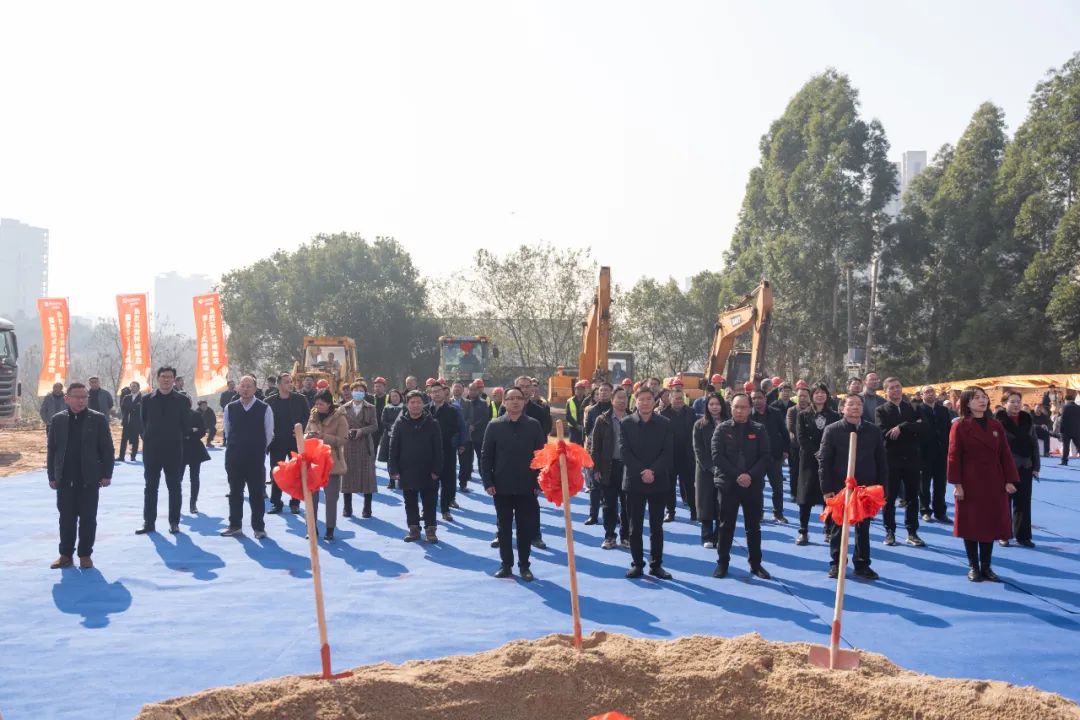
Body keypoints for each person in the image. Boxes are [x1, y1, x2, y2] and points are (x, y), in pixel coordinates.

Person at [948, 387, 1018, 582]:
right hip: (970, 482)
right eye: (976, 398)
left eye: (984, 397)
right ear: (967, 403)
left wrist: (1010, 479)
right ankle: (973, 566)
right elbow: (953, 457)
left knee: (990, 523)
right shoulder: (960, 426)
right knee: (971, 524)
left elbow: (1005, 454)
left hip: (994, 481)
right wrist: (957, 484)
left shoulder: (996, 425)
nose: (982, 401)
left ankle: (986, 566)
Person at [819, 394, 888, 580]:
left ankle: (862, 563)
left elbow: (881, 460)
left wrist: (882, 487)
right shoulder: (832, 430)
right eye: (851, 404)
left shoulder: (872, 431)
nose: (855, 407)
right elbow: (824, 461)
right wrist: (826, 489)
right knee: (838, 526)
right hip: (840, 487)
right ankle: (837, 563)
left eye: (859, 404)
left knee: (863, 527)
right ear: (842, 408)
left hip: (865, 487)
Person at [47, 382, 115, 569]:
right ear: (67, 398)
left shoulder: (98, 419)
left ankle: (85, 554)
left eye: (84, 397)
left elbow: (107, 449)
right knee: (66, 519)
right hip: (64, 479)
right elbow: (52, 450)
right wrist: (52, 476)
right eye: (77, 397)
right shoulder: (57, 420)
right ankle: (65, 555)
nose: (81, 400)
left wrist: (107, 474)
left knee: (88, 518)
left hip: (89, 479)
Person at [482, 385, 546, 580]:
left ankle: (524, 566)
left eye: (519, 398)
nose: (515, 401)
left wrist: (539, 483)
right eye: (511, 398)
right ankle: (506, 565)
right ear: (505, 402)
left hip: (527, 487)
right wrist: (488, 482)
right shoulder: (494, 425)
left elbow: (541, 456)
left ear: (524, 401)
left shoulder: (534, 425)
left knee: (525, 529)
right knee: (504, 528)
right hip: (501, 487)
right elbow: (486, 456)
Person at [711, 393, 773, 580]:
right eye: (736, 407)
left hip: (752, 485)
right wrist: (737, 475)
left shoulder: (759, 429)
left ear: (750, 408)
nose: (739, 411)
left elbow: (765, 456)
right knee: (725, 526)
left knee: (753, 526)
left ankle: (756, 564)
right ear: (730, 408)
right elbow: (717, 456)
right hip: (728, 485)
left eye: (744, 407)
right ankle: (722, 563)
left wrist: (749, 475)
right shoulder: (721, 429)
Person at [619, 387, 674, 580]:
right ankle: (637, 564)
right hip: (635, 481)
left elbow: (668, 451)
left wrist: (653, 471)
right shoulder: (626, 423)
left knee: (656, 527)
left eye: (648, 399)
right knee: (635, 527)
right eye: (641, 399)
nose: (645, 403)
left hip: (658, 481)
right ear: (635, 401)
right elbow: (624, 451)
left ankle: (656, 565)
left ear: (654, 401)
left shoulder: (665, 423)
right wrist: (642, 471)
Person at [219, 375, 274, 538]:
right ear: (238, 388)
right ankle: (235, 525)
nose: (245, 389)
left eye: (249, 386)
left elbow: (269, 434)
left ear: (255, 389)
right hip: (234, 457)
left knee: (256, 494)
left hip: (255, 458)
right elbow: (227, 431)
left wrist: (257, 448)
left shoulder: (264, 408)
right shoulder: (230, 407)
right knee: (235, 492)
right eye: (242, 386)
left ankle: (259, 528)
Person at [138, 366, 190, 535]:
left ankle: (174, 522)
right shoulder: (147, 399)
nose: (166, 379)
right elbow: (142, 423)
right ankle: (149, 522)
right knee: (150, 487)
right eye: (163, 376)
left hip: (173, 451)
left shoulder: (182, 400)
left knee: (174, 487)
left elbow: (185, 425)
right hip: (151, 451)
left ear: (174, 379)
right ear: (157, 378)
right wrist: (148, 438)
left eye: (169, 377)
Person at [876, 377, 926, 547]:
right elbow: (884, 433)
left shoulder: (913, 408)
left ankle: (912, 532)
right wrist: (911, 427)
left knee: (912, 497)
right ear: (885, 392)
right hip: (891, 460)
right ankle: (890, 532)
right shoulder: (881, 411)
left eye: (898, 387)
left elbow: (923, 427)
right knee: (889, 498)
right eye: (891, 388)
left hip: (912, 459)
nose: (895, 390)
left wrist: (902, 426)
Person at [388, 390, 443, 543]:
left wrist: (437, 469)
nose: (416, 405)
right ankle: (414, 529)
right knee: (410, 502)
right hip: (407, 469)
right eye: (412, 402)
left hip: (428, 470)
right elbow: (394, 448)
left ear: (423, 404)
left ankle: (431, 530)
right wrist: (393, 469)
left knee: (430, 502)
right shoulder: (400, 423)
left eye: (419, 402)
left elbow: (438, 449)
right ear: (407, 404)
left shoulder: (432, 423)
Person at [794, 383, 839, 546]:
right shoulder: (802, 415)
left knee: (828, 496)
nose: (820, 395)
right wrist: (817, 453)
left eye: (823, 392)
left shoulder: (835, 416)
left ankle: (828, 529)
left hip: (829, 461)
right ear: (812, 396)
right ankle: (803, 531)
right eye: (816, 393)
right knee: (805, 498)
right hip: (809, 461)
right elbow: (801, 437)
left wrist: (825, 454)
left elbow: (836, 438)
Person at [995, 392, 1040, 548]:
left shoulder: (1027, 419)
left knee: (1023, 502)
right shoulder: (997, 421)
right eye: (1012, 401)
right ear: (1004, 403)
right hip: (1005, 468)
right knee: (1004, 502)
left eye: (1018, 401)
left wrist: (1036, 466)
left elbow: (1034, 443)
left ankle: (1023, 536)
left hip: (1025, 466)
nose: (1016, 405)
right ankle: (1003, 534)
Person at [304, 389, 349, 540]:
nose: (318, 406)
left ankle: (330, 529)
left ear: (329, 404)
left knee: (331, 498)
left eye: (321, 404)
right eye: (316, 403)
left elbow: (343, 440)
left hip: (332, 462)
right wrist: (308, 436)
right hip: (314, 461)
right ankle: (311, 528)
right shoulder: (313, 416)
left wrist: (323, 437)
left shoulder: (340, 418)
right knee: (311, 498)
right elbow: (306, 433)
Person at [590, 385, 632, 550]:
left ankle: (626, 536)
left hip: (629, 468)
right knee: (609, 504)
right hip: (609, 467)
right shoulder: (602, 420)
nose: (622, 401)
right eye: (618, 398)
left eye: (624, 397)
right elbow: (595, 447)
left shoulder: (634, 419)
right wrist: (595, 469)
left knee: (628, 504)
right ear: (612, 400)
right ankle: (609, 536)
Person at [266, 372, 313, 514]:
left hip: (295, 442)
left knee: (296, 473)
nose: (290, 384)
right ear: (279, 384)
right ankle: (276, 503)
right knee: (276, 473)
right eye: (286, 382)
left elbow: (308, 417)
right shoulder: (269, 402)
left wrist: (301, 428)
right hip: (277, 443)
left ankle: (295, 503)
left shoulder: (300, 399)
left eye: (290, 381)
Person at [750, 389, 790, 524]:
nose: (757, 401)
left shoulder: (775, 413)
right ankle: (758, 514)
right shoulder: (749, 415)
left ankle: (778, 514)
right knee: (757, 488)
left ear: (765, 398)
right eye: (754, 398)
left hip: (775, 456)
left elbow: (784, 433)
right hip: (755, 459)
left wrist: (786, 451)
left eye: (759, 398)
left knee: (777, 488)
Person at [341, 381, 378, 519]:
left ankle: (367, 508)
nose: (358, 392)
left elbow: (375, 426)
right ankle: (347, 507)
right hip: (348, 444)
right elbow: (339, 425)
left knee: (367, 476)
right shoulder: (343, 408)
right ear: (351, 392)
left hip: (365, 445)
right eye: (355, 390)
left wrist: (361, 431)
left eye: (361, 390)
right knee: (347, 476)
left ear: (365, 393)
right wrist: (347, 431)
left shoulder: (371, 408)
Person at [693, 393, 726, 548]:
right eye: (711, 404)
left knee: (722, 503)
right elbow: (698, 449)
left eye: (717, 404)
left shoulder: (729, 423)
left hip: (725, 470)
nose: (714, 407)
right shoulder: (699, 425)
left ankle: (719, 535)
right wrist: (711, 467)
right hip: (705, 470)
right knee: (705, 503)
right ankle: (707, 536)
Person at [428, 382, 465, 521]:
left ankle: (445, 510)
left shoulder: (453, 410)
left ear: (444, 392)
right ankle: (427, 510)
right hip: (428, 452)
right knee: (429, 483)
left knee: (447, 481)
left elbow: (459, 428)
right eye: (434, 391)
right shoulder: (425, 410)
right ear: (430, 394)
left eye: (439, 391)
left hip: (447, 450)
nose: (436, 393)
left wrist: (461, 443)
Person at [661, 383, 697, 522]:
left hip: (687, 456)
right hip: (670, 457)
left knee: (690, 486)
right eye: (676, 398)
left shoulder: (691, 412)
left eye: (681, 398)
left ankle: (694, 511)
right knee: (669, 487)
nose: (679, 401)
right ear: (670, 399)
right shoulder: (663, 414)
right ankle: (670, 512)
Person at [917, 385, 953, 524]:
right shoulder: (917, 410)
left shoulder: (943, 410)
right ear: (921, 395)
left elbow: (949, 429)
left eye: (932, 391)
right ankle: (925, 510)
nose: (930, 394)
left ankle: (940, 512)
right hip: (924, 453)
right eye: (927, 392)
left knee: (940, 484)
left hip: (941, 452)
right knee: (924, 485)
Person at [461, 380, 491, 492]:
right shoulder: (464, 402)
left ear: (478, 391)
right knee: (466, 458)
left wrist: (474, 426)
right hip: (466, 435)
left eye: (474, 390)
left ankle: (484, 477)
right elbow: (462, 417)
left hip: (479, 434)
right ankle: (465, 478)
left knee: (480, 457)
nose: (472, 392)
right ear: (468, 390)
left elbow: (485, 417)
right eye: (470, 389)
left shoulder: (483, 403)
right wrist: (467, 426)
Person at [182, 403, 211, 514]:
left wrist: (189, 434)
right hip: (180, 449)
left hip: (195, 449)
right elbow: (175, 431)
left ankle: (193, 504)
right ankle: (176, 503)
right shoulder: (175, 414)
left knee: (194, 478)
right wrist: (191, 430)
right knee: (177, 479)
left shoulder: (196, 415)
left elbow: (202, 431)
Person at [786, 385, 811, 504]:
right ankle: (794, 493)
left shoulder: (812, 410)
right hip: (795, 447)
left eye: (805, 396)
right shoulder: (791, 410)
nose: (802, 398)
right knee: (794, 471)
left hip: (810, 448)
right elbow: (791, 428)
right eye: (800, 396)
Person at [378, 389, 405, 482]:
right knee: (390, 459)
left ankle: (401, 479)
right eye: (392, 396)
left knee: (401, 457)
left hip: (402, 436)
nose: (394, 398)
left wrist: (397, 428)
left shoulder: (405, 408)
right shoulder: (386, 408)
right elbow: (383, 421)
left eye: (396, 396)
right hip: (388, 435)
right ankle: (391, 480)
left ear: (400, 397)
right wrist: (391, 427)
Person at [117, 382, 143, 461]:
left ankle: (133, 455)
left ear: (138, 388)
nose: (132, 388)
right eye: (131, 387)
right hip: (127, 421)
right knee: (124, 439)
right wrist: (132, 408)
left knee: (135, 439)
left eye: (134, 386)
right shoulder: (126, 397)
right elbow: (123, 408)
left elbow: (140, 409)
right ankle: (121, 456)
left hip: (137, 422)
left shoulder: (142, 398)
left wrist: (131, 407)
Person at [566, 380, 589, 445]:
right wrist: (577, 426)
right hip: (573, 428)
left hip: (584, 428)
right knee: (573, 446)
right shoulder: (570, 401)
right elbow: (568, 416)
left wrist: (583, 426)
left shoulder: (587, 401)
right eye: (578, 389)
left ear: (584, 390)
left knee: (583, 446)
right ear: (575, 390)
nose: (579, 391)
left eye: (581, 389)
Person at [1059, 395, 1080, 465]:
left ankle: (1064, 461)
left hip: (1066, 430)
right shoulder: (1078, 407)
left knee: (1066, 446)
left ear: (1066, 400)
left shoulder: (1065, 407)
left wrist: (1061, 430)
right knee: (1078, 445)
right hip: (1077, 430)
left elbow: (1063, 419)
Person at [372, 376, 388, 459]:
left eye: (380, 386)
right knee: (373, 449)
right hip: (374, 427)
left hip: (385, 427)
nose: (377, 388)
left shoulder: (389, 398)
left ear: (384, 387)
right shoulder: (371, 398)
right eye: (376, 386)